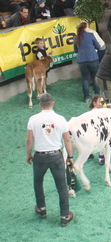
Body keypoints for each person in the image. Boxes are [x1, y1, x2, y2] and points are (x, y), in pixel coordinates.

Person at [26, 93, 74, 227]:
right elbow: (67, 140)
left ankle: (41, 208)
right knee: (61, 186)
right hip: (56, 156)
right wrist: (70, 157)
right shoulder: (61, 119)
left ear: (40, 105)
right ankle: (64, 215)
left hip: (40, 156)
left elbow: (29, 140)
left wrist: (28, 154)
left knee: (38, 182)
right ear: (53, 103)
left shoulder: (33, 119)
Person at [74, 22, 101, 104]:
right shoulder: (90, 35)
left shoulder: (76, 38)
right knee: (95, 77)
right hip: (93, 58)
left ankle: (86, 97)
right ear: (86, 28)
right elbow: (98, 46)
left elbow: (76, 51)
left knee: (85, 79)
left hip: (82, 61)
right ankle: (97, 95)